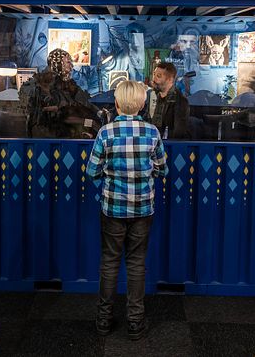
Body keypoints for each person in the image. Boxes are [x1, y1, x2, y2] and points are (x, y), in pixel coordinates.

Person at [86, 80, 168, 340]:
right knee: (136, 264)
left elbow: (92, 171)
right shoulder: (152, 132)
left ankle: (103, 320)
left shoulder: (106, 133)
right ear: (143, 104)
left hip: (112, 208)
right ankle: (135, 322)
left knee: (109, 263)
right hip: (143, 208)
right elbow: (162, 169)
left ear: (117, 103)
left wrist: (108, 180)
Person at [143, 62, 191, 139]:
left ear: (170, 79)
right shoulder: (151, 95)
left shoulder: (181, 102)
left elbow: (179, 132)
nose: (153, 78)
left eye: (158, 76)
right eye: (154, 74)